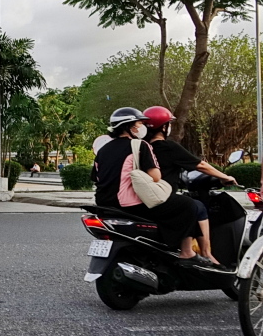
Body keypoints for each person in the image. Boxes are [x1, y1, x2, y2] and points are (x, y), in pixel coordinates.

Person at [92, 107, 211, 264]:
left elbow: (95, 177)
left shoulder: (103, 149)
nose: (142, 127)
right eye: (140, 123)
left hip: (104, 204)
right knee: (187, 205)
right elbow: (156, 176)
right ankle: (187, 252)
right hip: (129, 204)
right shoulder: (139, 145)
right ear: (130, 126)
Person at [144, 105, 237, 265]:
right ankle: (207, 253)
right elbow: (201, 166)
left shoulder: (142, 147)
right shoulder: (168, 147)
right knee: (198, 207)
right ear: (164, 127)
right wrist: (225, 176)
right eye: (169, 124)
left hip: (145, 198)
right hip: (164, 199)